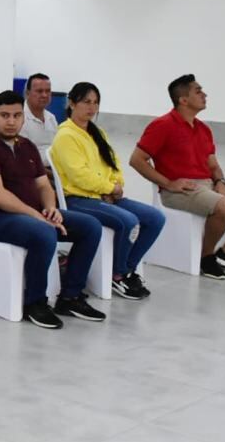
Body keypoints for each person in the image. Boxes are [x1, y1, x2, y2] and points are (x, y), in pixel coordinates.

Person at [0, 90, 106, 329]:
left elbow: (43, 186)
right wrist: (37, 216)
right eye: (4, 115)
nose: (11, 121)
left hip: (33, 216)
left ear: (23, 118)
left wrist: (50, 208)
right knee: (44, 232)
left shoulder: (27, 146)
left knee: (90, 226)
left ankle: (70, 297)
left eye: (17, 115)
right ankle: (35, 303)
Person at [129, 74, 225, 280]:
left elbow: (213, 164)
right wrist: (168, 183)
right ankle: (206, 257)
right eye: (198, 91)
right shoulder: (162, 125)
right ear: (183, 100)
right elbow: (136, 160)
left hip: (208, 184)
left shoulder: (203, 128)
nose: (204, 95)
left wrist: (220, 182)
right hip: (181, 191)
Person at [51, 82, 164, 300]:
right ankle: (118, 275)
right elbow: (79, 175)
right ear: (72, 103)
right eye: (86, 102)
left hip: (106, 196)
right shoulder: (65, 135)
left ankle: (126, 269)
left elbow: (114, 164)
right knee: (128, 221)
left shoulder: (98, 132)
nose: (91, 108)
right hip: (78, 199)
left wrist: (116, 186)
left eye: (95, 103)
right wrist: (109, 188)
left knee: (155, 218)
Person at [20, 73, 59, 148]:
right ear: (27, 93)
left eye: (48, 91)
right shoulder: (19, 117)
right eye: (39, 91)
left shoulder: (51, 118)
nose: (44, 95)